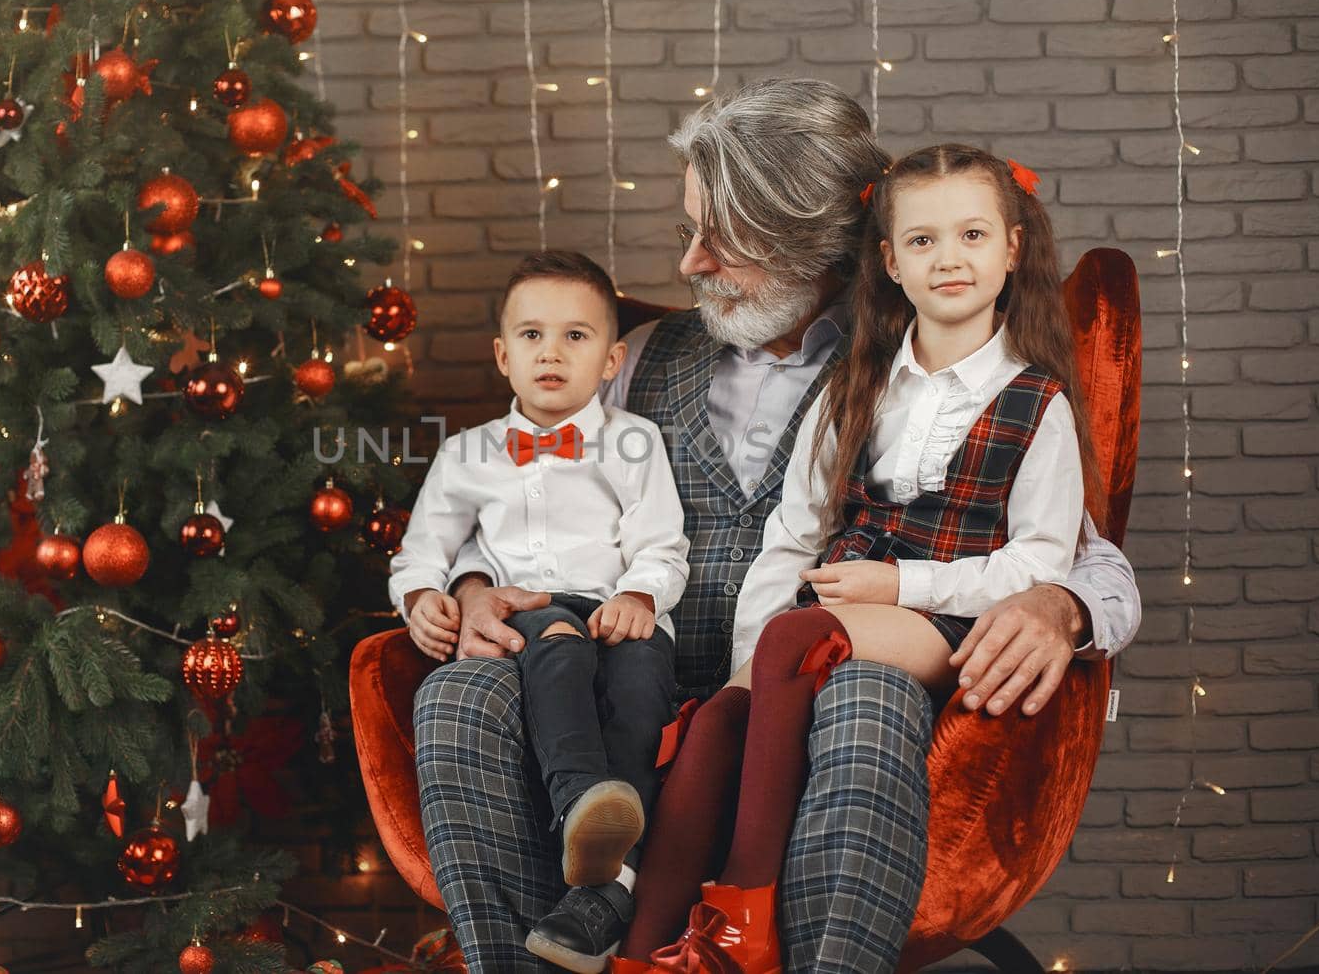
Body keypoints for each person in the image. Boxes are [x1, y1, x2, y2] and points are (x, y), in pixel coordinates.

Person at [413, 78, 1142, 974]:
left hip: (809, 708)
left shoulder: (908, 371)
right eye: (691, 232)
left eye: (724, 241)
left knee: (867, 695)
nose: (688, 265)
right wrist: (474, 586)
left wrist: (1059, 606)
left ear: (819, 246)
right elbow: (526, 499)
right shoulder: (629, 359)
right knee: (458, 694)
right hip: (628, 688)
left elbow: (1088, 561)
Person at [619, 143, 1106, 970]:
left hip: (947, 617)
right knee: (715, 723)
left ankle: (744, 910)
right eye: (922, 241)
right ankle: (640, 953)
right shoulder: (860, 383)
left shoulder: (1037, 402)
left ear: (1014, 247)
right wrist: (742, 675)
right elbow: (795, 531)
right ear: (888, 261)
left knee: (792, 639)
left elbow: (1040, 563)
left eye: (973, 236)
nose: (949, 259)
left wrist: (898, 581)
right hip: (842, 612)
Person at [389, 250, 690, 974]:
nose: (551, 351)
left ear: (613, 358)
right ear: (502, 354)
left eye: (576, 336)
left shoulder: (634, 441)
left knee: (644, 674)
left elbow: (662, 542)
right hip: (529, 606)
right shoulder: (466, 454)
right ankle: (581, 802)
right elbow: (420, 551)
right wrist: (424, 598)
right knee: (557, 640)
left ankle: (609, 871)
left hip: (616, 605)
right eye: (531, 335)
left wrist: (640, 596)